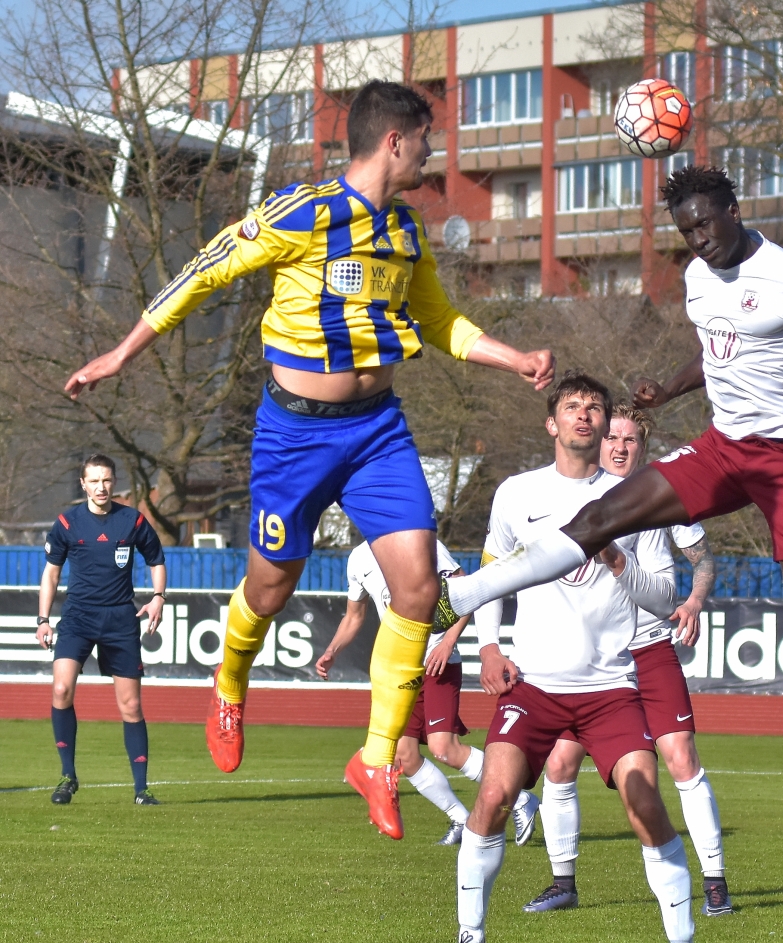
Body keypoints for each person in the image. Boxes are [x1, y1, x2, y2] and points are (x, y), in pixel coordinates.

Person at [62, 81, 554, 838]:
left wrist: (513, 357)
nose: (432, 152)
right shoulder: (304, 212)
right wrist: (122, 353)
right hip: (294, 436)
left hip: (378, 432)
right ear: (394, 141)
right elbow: (206, 269)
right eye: (426, 138)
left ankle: (376, 759)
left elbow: (439, 321)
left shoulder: (405, 229)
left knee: (419, 587)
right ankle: (230, 678)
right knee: (270, 588)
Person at [436, 165, 783, 858]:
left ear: (734, 208)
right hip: (723, 450)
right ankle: (468, 590)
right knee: (602, 515)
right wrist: (668, 391)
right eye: (686, 230)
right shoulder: (698, 277)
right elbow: (717, 351)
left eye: (705, 223)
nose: (698, 238)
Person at [457, 372, 692, 943]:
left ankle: (682, 936)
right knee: (493, 797)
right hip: (534, 686)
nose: (583, 415)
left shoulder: (637, 497)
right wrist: (488, 646)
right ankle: (469, 932)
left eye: (594, 407)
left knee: (646, 805)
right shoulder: (517, 492)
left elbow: (665, 599)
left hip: (610, 689)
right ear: (552, 423)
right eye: (571, 406)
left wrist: (615, 557)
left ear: (606, 424)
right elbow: (490, 576)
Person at [523, 403, 728, 916]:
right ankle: (563, 882)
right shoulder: (569, 494)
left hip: (649, 647)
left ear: (642, 447)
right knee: (560, 763)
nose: (618, 447)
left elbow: (703, 559)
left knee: (681, 758)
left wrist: (694, 601)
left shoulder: (662, 495)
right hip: (591, 656)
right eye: (612, 437)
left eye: (630, 439)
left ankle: (714, 880)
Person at [316, 538, 539, 845]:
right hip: (403, 668)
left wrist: (447, 642)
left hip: (437, 663)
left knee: (444, 747)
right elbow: (354, 616)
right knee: (404, 756)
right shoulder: (357, 559)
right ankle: (460, 819)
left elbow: (468, 589)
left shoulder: (421, 541)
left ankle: (521, 799)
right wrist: (332, 651)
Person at [35, 454, 167, 806]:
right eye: (94, 480)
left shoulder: (132, 520)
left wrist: (158, 597)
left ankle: (141, 790)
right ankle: (68, 776)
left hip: (120, 620)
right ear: (83, 484)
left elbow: (156, 560)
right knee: (61, 689)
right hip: (78, 617)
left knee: (131, 705)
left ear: (114, 481)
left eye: (106, 480)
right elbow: (51, 574)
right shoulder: (67, 522)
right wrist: (43, 619)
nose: (101, 487)